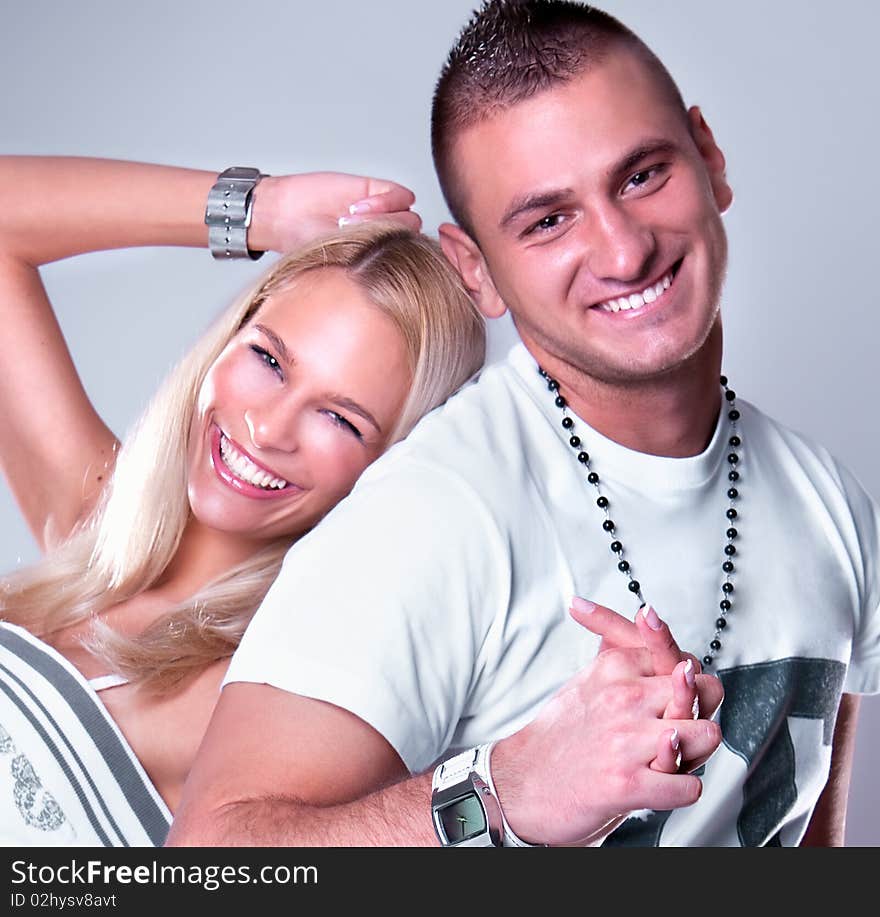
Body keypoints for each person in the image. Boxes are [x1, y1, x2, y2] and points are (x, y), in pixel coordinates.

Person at [168, 0, 879, 848]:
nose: (623, 251)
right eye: (548, 221)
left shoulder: (831, 501)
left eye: (643, 174)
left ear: (710, 157)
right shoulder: (433, 513)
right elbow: (211, 859)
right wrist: (501, 793)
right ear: (478, 270)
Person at [0, 156, 488, 846]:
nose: (269, 427)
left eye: (340, 420)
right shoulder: (94, 527)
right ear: (230, 334)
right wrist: (263, 210)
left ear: (388, 468)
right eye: (269, 359)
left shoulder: (276, 700)